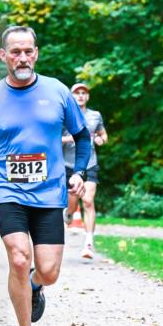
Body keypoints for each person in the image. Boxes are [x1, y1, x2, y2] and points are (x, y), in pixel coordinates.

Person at [0, 25, 91, 326]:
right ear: (3, 56)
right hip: (7, 189)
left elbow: (83, 137)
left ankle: (34, 286)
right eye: (15, 51)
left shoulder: (57, 91)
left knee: (48, 271)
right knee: (19, 258)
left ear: (36, 53)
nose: (22, 57)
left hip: (48, 194)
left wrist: (79, 173)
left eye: (28, 50)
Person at [69, 83, 106, 257]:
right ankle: (69, 214)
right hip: (68, 163)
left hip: (89, 163)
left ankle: (89, 243)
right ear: (72, 96)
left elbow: (103, 134)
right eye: (77, 93)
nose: (81, 96)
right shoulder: (64, 114)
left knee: (88, 201)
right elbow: (52, 137)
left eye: (84, 93)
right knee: (72, 201)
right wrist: (68, 139)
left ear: (88, 96)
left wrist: (101, 140)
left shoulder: (95, 116)